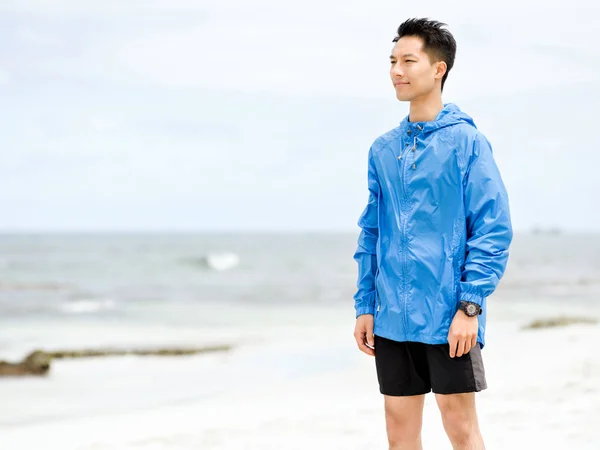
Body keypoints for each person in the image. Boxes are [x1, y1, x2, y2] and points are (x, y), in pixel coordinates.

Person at [352, 18, 513, 450]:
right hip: (391, 319)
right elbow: (372, 232)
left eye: (408, 60)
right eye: (392, 61)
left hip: (448, 316)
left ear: (438, 69)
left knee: (459, 426)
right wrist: (366, 304)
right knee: (398, 430)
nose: (396, 71)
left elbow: (492, 228)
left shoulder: (467, 142)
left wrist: (470, 306)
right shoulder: (383, 149)